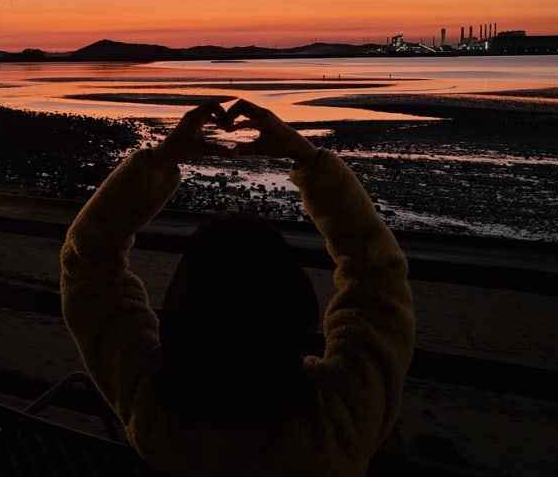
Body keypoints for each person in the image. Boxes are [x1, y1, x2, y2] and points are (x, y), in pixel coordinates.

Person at [60, 99, 415, 476]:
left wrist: (161, 159)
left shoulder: (151, 411)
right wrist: (307, 158)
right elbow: (378, 275)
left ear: (182, 309)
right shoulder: (340, 423)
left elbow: (88, 261)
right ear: (296, 309)